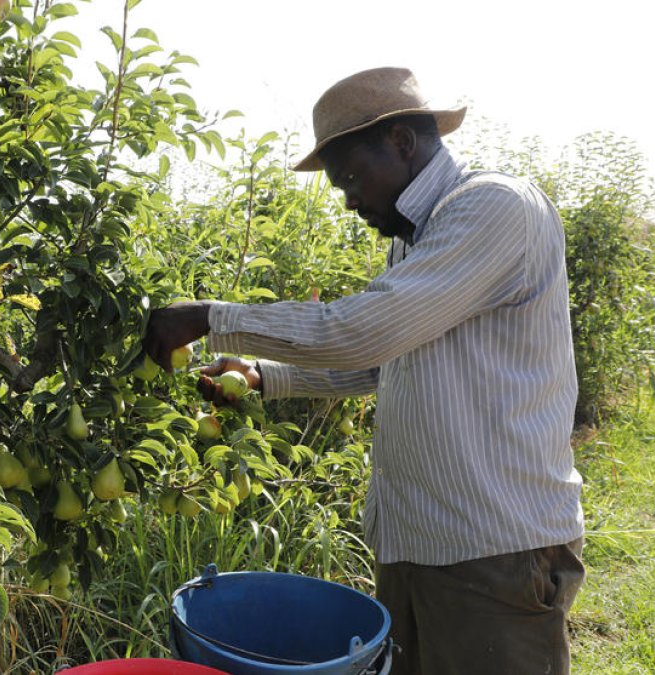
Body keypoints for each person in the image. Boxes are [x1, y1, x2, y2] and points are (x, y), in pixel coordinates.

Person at [142, 67, 585, 675]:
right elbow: (388, 360)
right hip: (419, 544)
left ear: (401, 142)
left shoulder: (493, 208)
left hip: (494, 551)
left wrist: (210, 317)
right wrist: (265, 374)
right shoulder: (415, 236)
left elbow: (364, 330)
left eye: (351, 177)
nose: (349, 201)